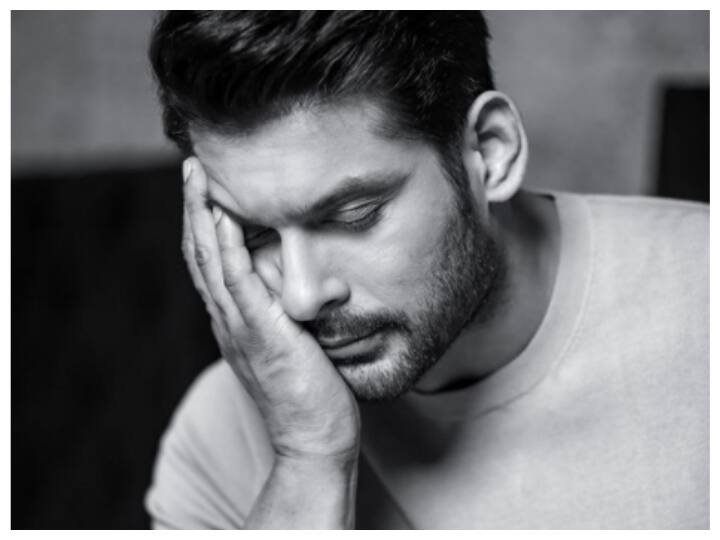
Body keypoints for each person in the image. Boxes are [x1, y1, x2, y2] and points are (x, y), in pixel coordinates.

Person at [144, 11, 708, 529]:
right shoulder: (220, 435)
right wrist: (308, 456)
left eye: (354, 215)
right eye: (254, 234)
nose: (301, 296)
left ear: (491, 151)